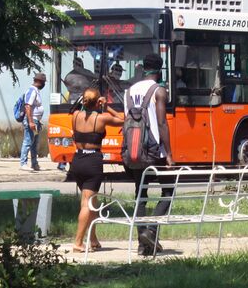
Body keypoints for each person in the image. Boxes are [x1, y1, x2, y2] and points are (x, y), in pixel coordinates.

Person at [124, 53, 174, 256]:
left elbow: (125, 122)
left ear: (143, 68)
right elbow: (161, 123)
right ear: (160, 70)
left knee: (141, 195)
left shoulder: (129, 91)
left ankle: (142, 244)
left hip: (134, 151)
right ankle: (151, 231)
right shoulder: (159, 90)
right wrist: (169, 153)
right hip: (155, 152)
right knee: (169, 192)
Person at [70, 88, 124, 253]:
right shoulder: (101, 118)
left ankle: (93, 239)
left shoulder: (75, 116)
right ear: (97, 102)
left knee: (89, 202)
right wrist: (107, 107)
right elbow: (123, 119)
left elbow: (75, 133)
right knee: (87, 203)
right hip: (92, 162)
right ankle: (78, 242)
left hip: (77, 160)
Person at [19, 73, 47, 172]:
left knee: (34, 144)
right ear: (39, 82)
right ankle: (23, 163)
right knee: (28, 141)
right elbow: (28, 106)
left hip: (36, 121)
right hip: (32, 120)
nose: (44, 84)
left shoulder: (36, 91)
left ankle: (34, 164)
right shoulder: (32, 91)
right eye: (44, 82)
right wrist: (31, 122)